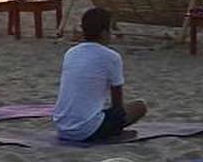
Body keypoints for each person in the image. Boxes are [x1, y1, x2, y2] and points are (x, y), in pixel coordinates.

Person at [53, 7, 148, 142]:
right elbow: (117, 105)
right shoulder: (111, 57)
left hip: (62, 128)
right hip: (86, 130)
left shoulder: (71, 53)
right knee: (140, 106)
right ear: (104, 33)